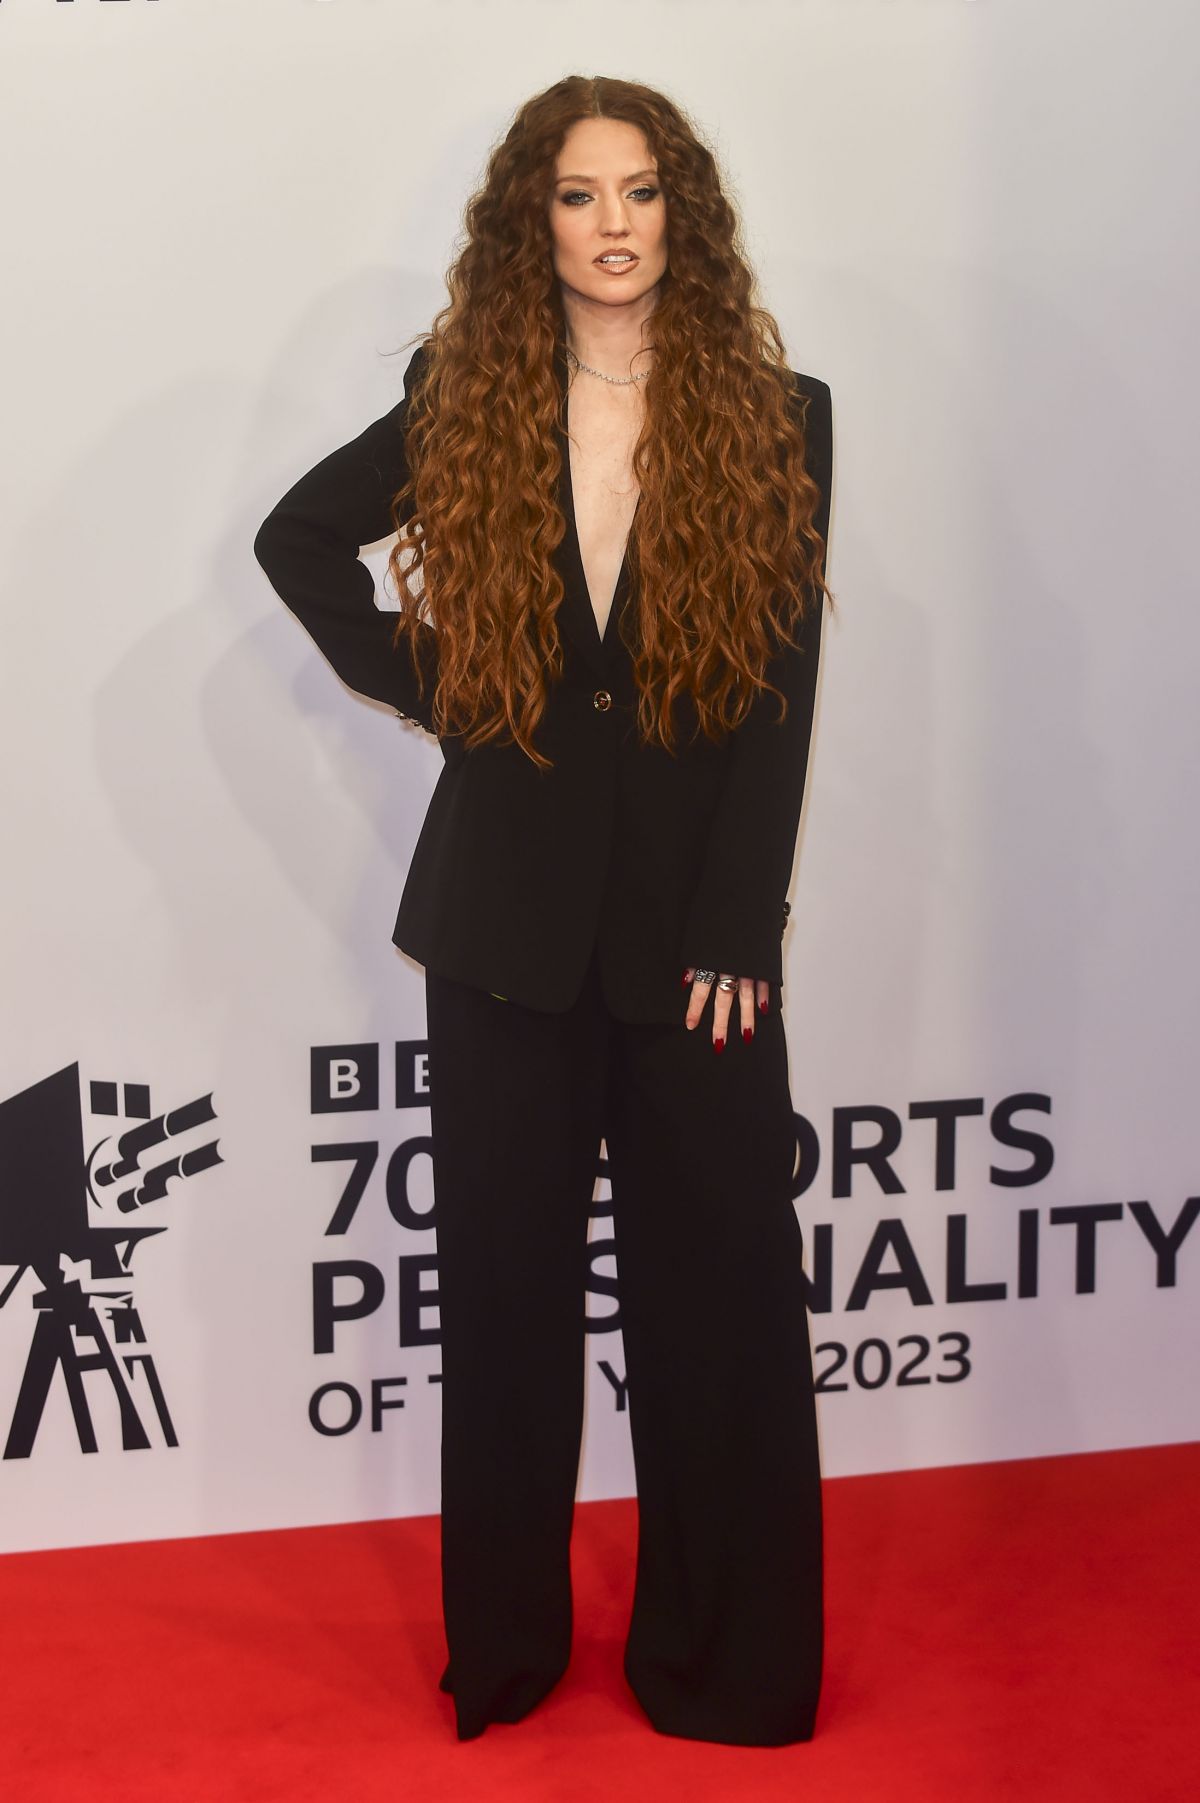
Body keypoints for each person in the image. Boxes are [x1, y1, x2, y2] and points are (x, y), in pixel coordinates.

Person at [253, 74, 835, 1748]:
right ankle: (504, 1657)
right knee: (506, 1303)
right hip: (503, 933)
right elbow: (300, 540)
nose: (614, 226)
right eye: (580, 196)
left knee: (717, 1296)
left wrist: (743, 920)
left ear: (684, 213)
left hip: (697, 943)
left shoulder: (779, 412)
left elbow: (781, 699)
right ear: (537, 218)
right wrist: (440, 680)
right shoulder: (467, 391)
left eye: (641, 192)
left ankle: (723, 1665)